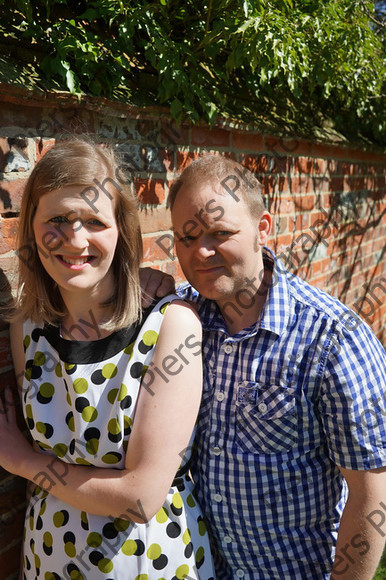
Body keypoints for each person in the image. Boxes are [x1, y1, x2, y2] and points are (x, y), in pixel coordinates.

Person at [144, 155, 386, 579]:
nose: (201, 251)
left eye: (221, 233)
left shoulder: (331, 339)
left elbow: (372, 496)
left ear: (263, 228)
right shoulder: (182, 322)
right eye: (187, 236)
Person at [0, 139, 216, 580]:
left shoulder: (171, 327)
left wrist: (19, 460)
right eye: (57, 219)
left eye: (94, 221)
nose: (75, 239)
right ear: (32, 228)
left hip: (148, 563)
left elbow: (140, 497)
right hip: (46, 558)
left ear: (121, 230)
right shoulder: (28, 327)